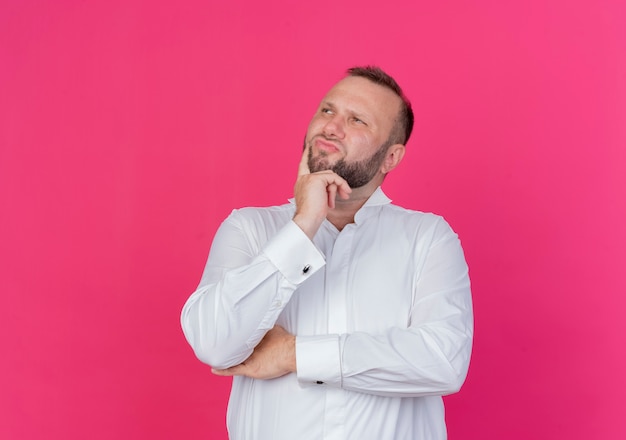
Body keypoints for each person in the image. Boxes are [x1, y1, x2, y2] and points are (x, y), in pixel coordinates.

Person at [181, 66, 473, 440]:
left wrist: (292, 354)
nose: (332, 127)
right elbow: (213, 342)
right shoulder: (249, 229)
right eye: (328, 110)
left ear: (391, 157)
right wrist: (302, 226)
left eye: (357, 120)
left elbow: (443, 361)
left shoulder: (429, 239)